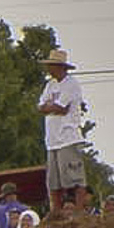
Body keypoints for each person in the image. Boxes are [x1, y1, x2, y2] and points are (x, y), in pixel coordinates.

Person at [37, 49, 91, 213]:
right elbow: (40, 106)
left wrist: (49, 107)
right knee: (53, 181)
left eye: (51, 66)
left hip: (68, 137)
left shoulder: (71, 83)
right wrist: (50, 107)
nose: (49, 69)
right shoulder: (50, 85)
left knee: (74, 178)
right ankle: (56, 213)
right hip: (52, 140)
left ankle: (79, 211)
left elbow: (62, 108)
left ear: (60, 67)